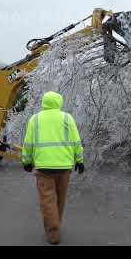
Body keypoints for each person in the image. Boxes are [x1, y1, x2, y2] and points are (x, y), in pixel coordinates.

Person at [21, 91, 84, 245]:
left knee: (48, 201)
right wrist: (79, 160)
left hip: (44, 168)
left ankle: (53, 232)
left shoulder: (35, 120)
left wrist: (26, 161)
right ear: (59, 102)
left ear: (43, 103)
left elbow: (28, 143)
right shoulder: (67, 118)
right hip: (64, 167)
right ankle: (55, 226)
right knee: (60, 199)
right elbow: (76, 141)